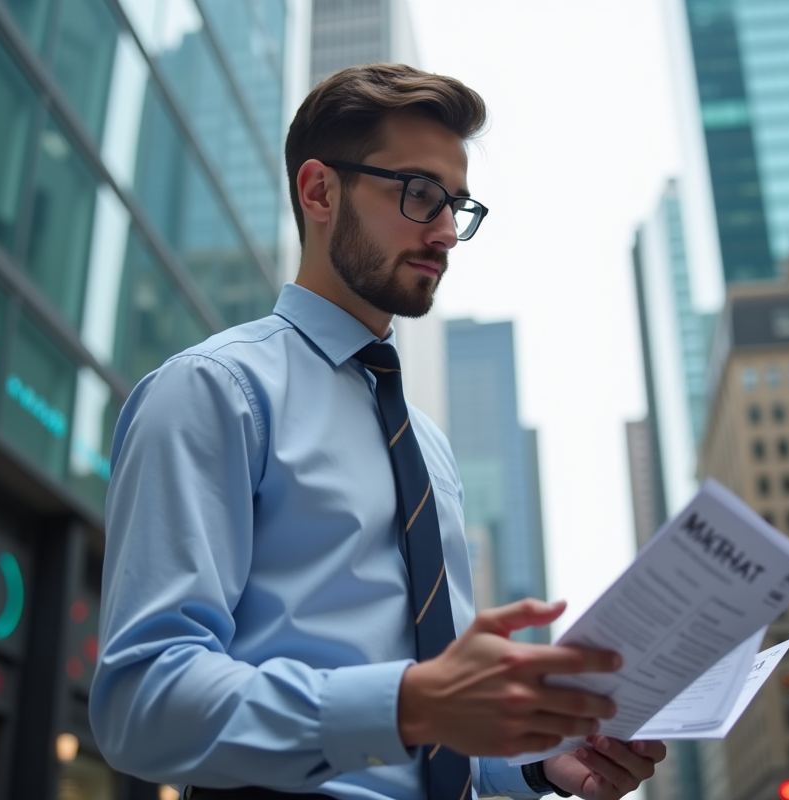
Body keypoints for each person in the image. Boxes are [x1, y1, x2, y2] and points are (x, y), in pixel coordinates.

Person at [90, 63, 666, 800]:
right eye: (420, 193)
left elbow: (437, 736)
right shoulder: (213, 391)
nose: (446, 233)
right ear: (320, 192)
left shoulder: (428, 446)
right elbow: (142, 704)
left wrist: (540, 761)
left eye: (457, 205)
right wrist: (410, 703)